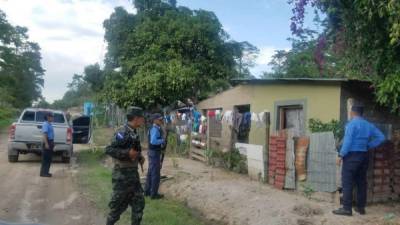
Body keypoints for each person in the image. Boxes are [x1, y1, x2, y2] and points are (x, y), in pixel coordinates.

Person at [333, 105, 385, 216]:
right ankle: (361, 208)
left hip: (351, 156)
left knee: (347, 182)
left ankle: (347, 209)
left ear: (352, 113)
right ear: (362, 114)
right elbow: (381, 137)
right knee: (361, 182)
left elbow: (347, 142)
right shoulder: (369, 125)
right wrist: (369, 145)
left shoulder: (351, 125)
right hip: (364, 156)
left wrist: (340, 155)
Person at [105, 107, 146, 225]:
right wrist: (127, 154)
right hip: (122, 176)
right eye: (142, 118)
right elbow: (109, 149)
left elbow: (133, 150)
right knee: (117, 207)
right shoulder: (121, 132)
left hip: (133, 175)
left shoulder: (134, 132)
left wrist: (139, 157)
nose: (143, 120)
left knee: (139, 203)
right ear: (136, 118)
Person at [145, 113, 165, 200]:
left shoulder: (154, 128)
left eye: (161, 119)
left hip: (152, 152)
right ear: (155, 120)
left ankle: (147, 191)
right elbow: (153, 141)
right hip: (154, 153)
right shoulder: (155, 129)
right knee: (155, 173)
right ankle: (154, 194)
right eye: (160, 120)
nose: (161, 121)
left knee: (150, 172)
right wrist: (162, 140)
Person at [40, 112, 55, 177]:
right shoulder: (45, 124)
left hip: (50, 142)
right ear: (48, 117)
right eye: (52, 117)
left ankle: (46, 172)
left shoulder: (49, 124)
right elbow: (45, 134)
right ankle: (43, 173)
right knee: (46, 159)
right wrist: (46, 143)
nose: (53, 118)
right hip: (47, 142)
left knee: (49, 158)